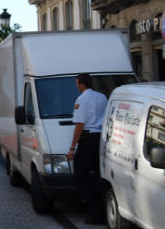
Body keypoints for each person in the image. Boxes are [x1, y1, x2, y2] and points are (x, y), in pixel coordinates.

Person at [67, 73, 107, 224]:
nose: (77, 86)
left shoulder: (81, 99)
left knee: (80, 177)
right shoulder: (102, 97)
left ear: (82, 84)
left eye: (77, 83)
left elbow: (79, 125)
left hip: (88, 138)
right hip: (100, 138)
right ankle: (103, 209)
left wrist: (72, 148)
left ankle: (95, 214)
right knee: (97, 175)